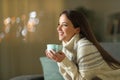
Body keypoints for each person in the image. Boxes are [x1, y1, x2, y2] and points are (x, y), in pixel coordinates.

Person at [45, 10, 120, 80]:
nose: (58, 28)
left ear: (77, 30)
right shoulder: (65, 48)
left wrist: (63, 61)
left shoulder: (84, 46)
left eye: (64, 25)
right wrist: (59, 60)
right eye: (59, 24)